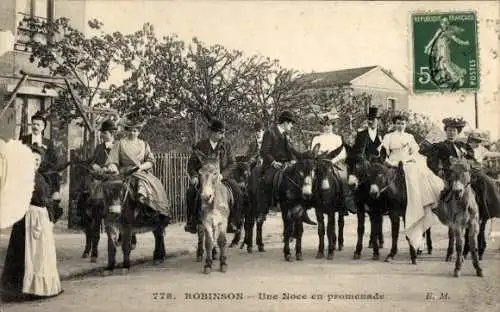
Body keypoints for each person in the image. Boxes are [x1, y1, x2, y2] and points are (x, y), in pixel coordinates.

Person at [1, 145, 63, 302]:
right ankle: (18, 288)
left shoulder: (41, 177)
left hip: (41, 218)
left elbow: (46, 198)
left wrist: (51, 213)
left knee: (40, 254)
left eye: (37, 160)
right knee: (24, 251)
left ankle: (39, 288)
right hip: (27, 218)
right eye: (31, 159)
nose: (34, 162)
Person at [380, 114, 444, 249]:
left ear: (405, 124)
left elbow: (415, 152)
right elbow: (383, 154)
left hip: (407, 163)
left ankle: (420, 203)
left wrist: (409, 159)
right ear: (394, 124)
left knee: (419, 179)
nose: (400, 125)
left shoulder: (410, 137)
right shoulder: (388, 137)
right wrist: (391, 163)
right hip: (392, 163)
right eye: (398, 123)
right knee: (381, 181)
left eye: (402, 123)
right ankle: (383, 206)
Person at [428, 117, 500, 218]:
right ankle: (441, 209)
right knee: (442, 188)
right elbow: (432, 161)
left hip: (466, 172)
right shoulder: (439, 146)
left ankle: (485, 209)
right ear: (446, 131)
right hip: (449, 172)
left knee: (487, 181)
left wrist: (469, 164)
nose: (451, 133)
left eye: (454, 131)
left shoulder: (463, 145)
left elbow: (472, 159)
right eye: (449, 130)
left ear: (458, 132)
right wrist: (438, 170)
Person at [104, 117, 171, 225]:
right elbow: (113, 160)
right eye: (129, 130)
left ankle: (153, 210)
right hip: (124, 173)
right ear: (126, 130)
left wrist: (141, 167)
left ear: (139, 132)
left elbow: (150, 161)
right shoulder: (119, 143)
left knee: (154, 185)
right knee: (113, 189)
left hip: (140, 172)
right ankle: (114, 214)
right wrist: (113, 167)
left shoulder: (144, 144)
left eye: (134, 130)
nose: (132, 133)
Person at [185, 119, 244, 234]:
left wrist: (223, 174)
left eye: (223, 133)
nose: (222, 135)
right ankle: (192, 221)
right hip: (205, 178)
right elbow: (191, 164)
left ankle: (233, 222)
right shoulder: (200, 145)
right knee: (190, 192)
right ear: (211, 132)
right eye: (219, 133)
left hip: (222, 178)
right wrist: (194, 176)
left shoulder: (226, 145)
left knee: (238, 192)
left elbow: (232, 163)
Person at [260, 111, 316, 225]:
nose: (292, 126)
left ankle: (303, 212)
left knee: (299, 180)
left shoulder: (286, 135)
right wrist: (273, 162)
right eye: (291, 123)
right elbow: (264, 152)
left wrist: (297, 158)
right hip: (272, 165)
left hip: (285, 164)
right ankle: (264, 209)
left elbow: (292, 151)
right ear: (285, 122)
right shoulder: (270, 132)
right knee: (268, 181)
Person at [19, 111, 63, 219]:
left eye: (38, 124)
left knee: (44, 213)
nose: (35, 127)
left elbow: (54, 167)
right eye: (33, 124)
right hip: (26, 181)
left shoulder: (48, 143)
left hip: (44, 183)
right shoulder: (24, 140)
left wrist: (56, 189)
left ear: (43, 127)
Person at [310, 113, 356, 214]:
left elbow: (342, 153)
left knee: (342, 178)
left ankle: (344, 202)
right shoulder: (317, 138)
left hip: (334, 163)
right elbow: (313, 152)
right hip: (320, 164)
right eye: (324, 124)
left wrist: (332, 161)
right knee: (310, 177)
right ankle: (309, 200)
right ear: (322, 126)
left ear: (332, 125)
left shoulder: (337, 138)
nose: (326, 127)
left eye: (329, 124)